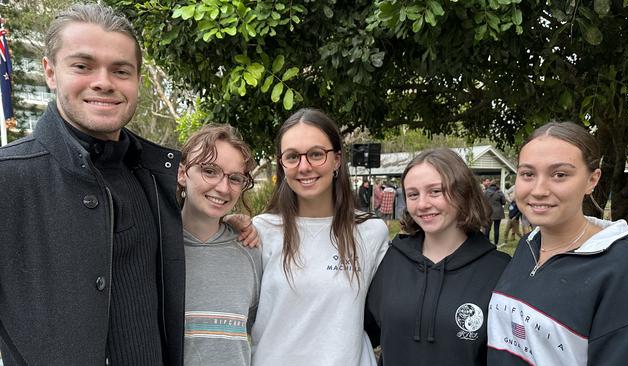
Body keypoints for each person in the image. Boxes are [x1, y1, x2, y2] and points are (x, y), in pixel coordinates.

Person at [0, 5, 256, 365]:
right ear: (50, 72)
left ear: (137, 80)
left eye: (120, 70)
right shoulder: (9, 180)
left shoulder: (153, 179)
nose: (103, 81)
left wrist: (235, 222)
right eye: (83, 66)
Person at [487, 122, 628, 365]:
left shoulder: (620, 269)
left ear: (592, 180)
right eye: (528, 174)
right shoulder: (528, 246)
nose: (539, 190)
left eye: (560, 175)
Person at [251, 108, 389, 366]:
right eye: (292, 157)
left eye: (316, 154)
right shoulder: (260, 230)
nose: (304, 167)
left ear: (337, 159)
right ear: (282, 163)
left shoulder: (371, 231)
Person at [365, 148, 510, 365]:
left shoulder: (500, 270)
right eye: (413, 194)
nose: (422, 204)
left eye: (435, 191)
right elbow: (363, 333)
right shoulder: (388, 261)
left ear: (463, 193)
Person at [178, 125, 262, 366]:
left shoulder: (250, 250)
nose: (223, 187)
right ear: (182, 174)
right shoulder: (154, 245)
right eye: (210, 171)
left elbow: (259, 331)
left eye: (235, 178)